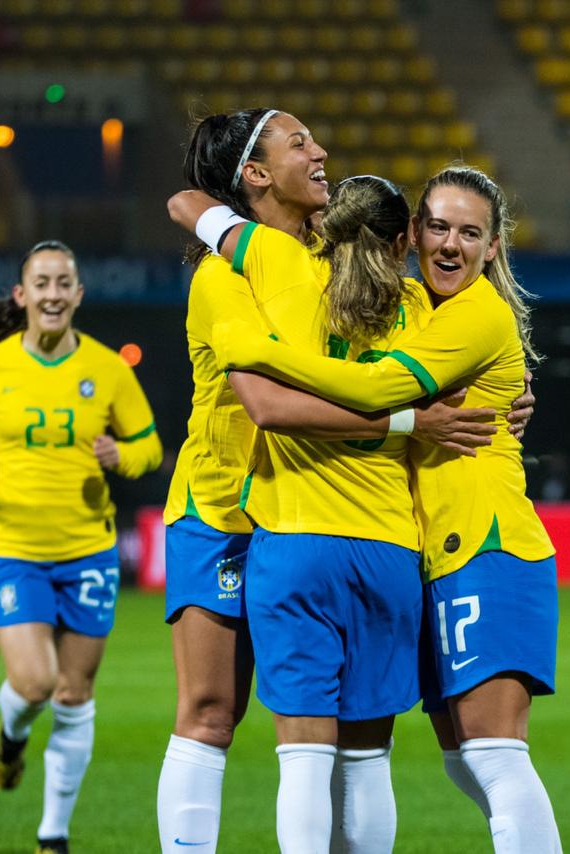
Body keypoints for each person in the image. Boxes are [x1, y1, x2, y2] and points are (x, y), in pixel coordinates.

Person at [158, 110, 506, 854]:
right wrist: (407, 422)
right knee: (212, 712)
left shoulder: (333, 265)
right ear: (255, 175)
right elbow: (265, 403)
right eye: (299, 144)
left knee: (346, 736)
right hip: (224, 507)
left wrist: (503, 391)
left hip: (309, 518)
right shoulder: (225, 276)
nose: (321, 152)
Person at [207, 164, 563, 853]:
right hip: (430, 554)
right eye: (438, 226)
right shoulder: (415, 306)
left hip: (487, 547)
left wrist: (263, 358)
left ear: (494, 248)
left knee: (492, 755)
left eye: (469, 232)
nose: (450, 244)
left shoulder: (469, 314)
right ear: (410, 234)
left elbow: (375, 387)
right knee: (463, 761)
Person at [0, 240, 163, 854]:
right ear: (22, 295)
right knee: (35, 684)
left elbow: (149, 448)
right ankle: (10, 738)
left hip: (88, 550)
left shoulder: (110, 370)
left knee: (74, 693)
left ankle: (52, 835)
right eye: (42, 283)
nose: (54, 294)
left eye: (64, 283)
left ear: (79, 294)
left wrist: (123, 455)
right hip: (15, 547)